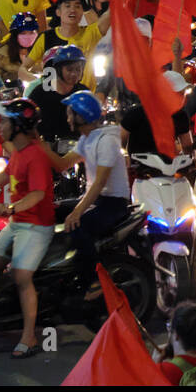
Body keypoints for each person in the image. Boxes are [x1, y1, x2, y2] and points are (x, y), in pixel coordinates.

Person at [0, 98, 55, 357]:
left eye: (6, 121)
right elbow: (7, 175)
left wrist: (9, 209)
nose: (1, 125)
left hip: (36, 226)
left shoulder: (37, 155)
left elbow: (38, 194)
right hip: (18, 222)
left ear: (18, 126)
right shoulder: (18, 152)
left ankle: (29, 337)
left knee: (21, 277)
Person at [55, 91, 133, 287]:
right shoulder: (87, 138)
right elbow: (63, 164)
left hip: (113, 203)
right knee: (53, 210)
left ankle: (93, 281)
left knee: (77, 226)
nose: (67, 118)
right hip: (96, 199)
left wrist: (77, 212)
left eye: (70, 114)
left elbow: (99, 183)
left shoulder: (106, 140)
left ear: (81, 116)